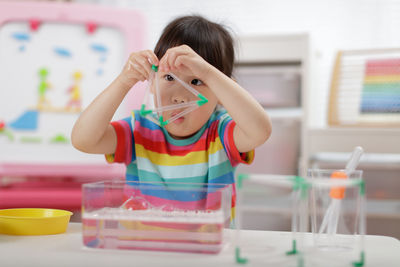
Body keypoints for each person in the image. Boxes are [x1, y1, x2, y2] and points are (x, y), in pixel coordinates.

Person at [71, 15, 271, 219]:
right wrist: (123, 81)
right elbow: (83, 140)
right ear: (151, 82)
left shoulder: (221, 133)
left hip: (209, 247)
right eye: (169, 77)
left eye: (196, 81)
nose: (179, 97)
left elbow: (260, 132)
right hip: (144, 245)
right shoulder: (138, 130)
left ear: (222, 92)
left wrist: (209, 73)